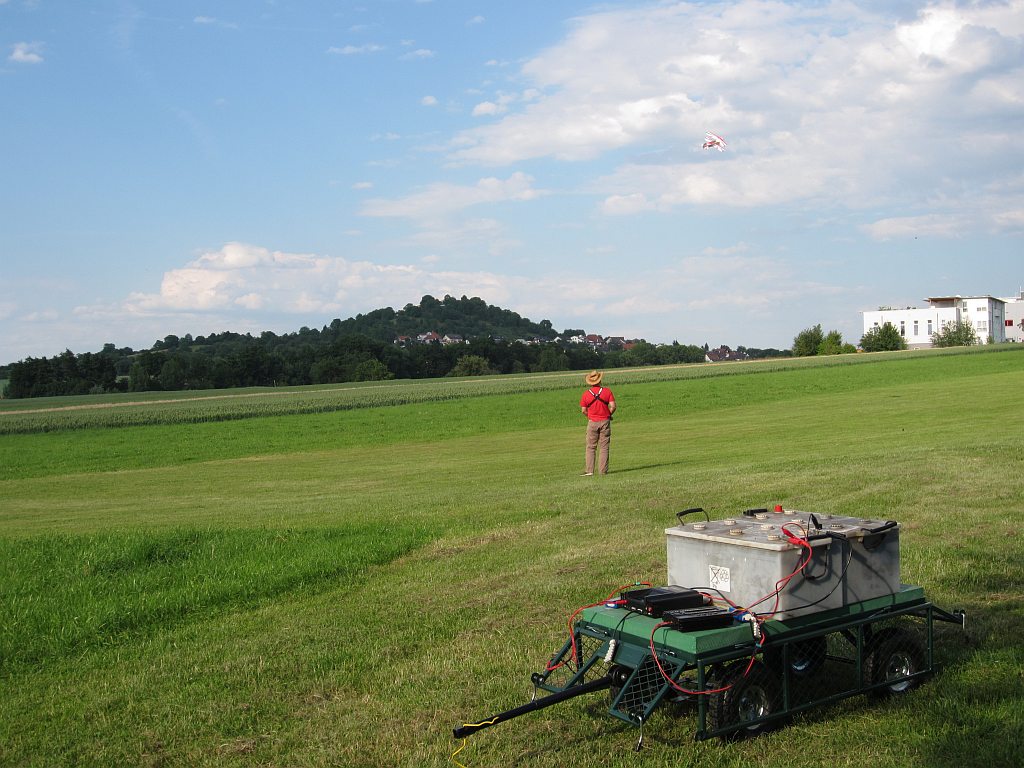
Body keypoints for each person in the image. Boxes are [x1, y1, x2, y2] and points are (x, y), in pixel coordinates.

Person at [579, 370, 616, 476]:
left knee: (591, 447)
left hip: (592, 422)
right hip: (605, 421)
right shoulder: (607, 391)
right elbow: (613, 406)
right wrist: (608, 414)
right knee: (604, 447)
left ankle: (589, 471)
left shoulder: (586, 394)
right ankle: (603, 471)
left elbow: (583, 410)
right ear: (600, 380)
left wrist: (590, 416)